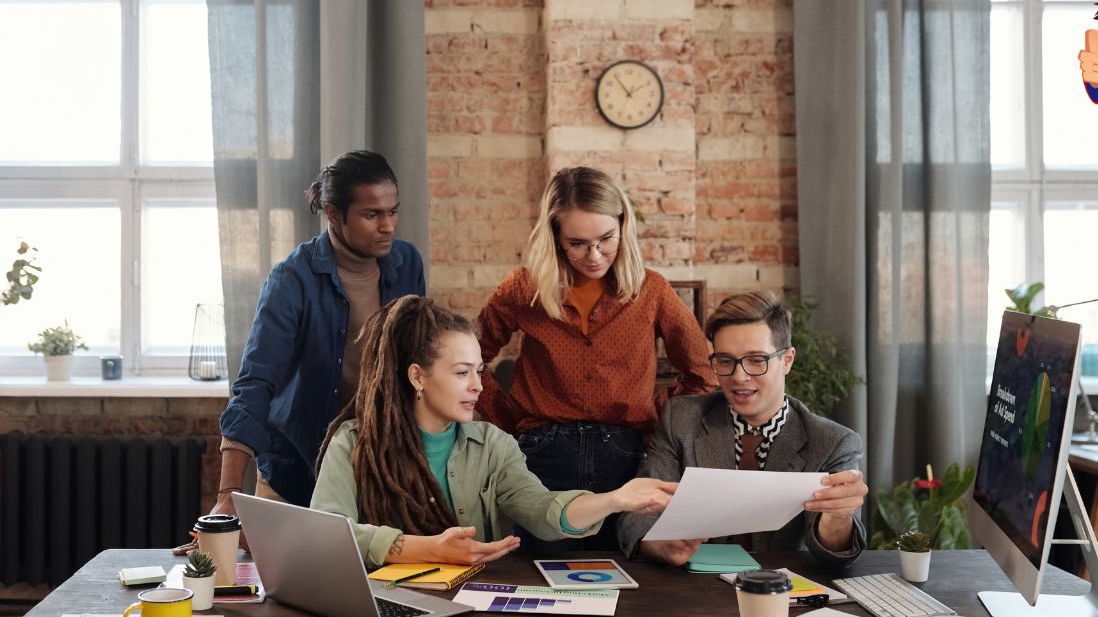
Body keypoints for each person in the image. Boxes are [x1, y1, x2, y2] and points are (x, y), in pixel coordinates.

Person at [175, 151, 424, 555]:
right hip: (296, 472)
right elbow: (255, 384)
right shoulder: (292, 278)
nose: (388, 226)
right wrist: (227, 496)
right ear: (333, 213)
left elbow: (417, 365)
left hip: (379, 474)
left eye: (393, 212)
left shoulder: (407, 263)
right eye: (372, 214)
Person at [311, 296, 677, 567]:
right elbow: (327, 535)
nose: (478, 386)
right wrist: (426, 548)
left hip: (471, 600)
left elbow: (542, 510)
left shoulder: (493, 445)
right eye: (461, 372)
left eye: (479, 370)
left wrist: (615, 499)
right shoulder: (354, 442)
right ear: (417, 375)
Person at [474, 166, 717, 552]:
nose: (594, 255)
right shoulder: (523, 289)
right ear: (555, 236)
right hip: (541, 455)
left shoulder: (651, 290)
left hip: (624, 455)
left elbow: (703, 374)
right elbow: (471, 361)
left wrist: (652, 413)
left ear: (624, 225)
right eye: (578, 243)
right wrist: (509, 421)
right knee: (543, 577)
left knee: (624, 577)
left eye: (606, 239)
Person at [617, 291, 870, 567]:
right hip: (694, 590)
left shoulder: (833, 442)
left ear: (786, 360)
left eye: (756, 360)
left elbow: (834, 554)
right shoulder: (681, 419)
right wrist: (659, 545)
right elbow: (636, 516)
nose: (739, 377)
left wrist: (839, 516)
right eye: (725, 361)